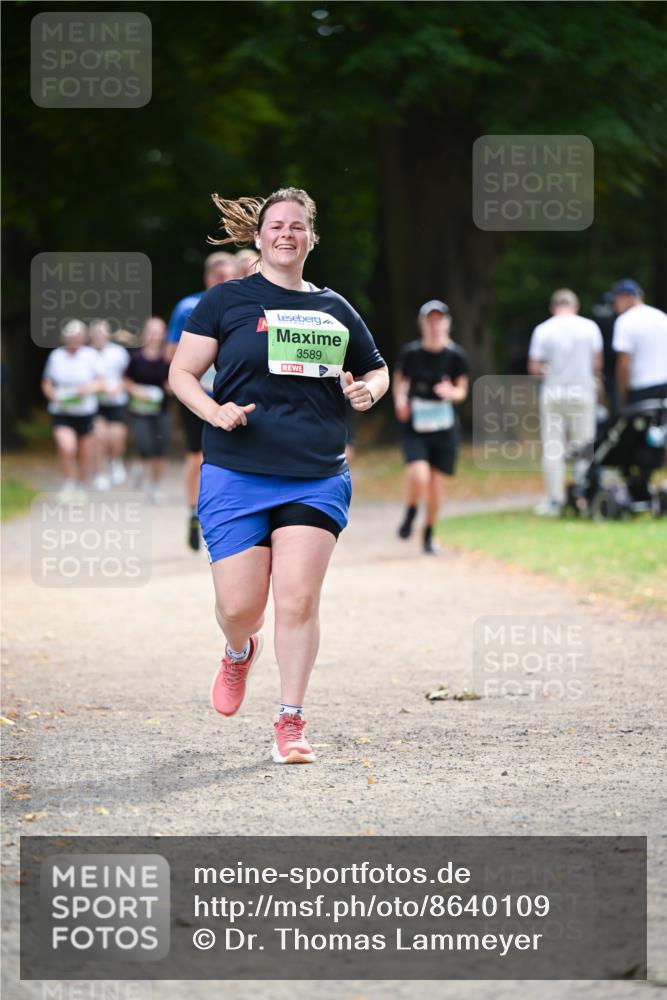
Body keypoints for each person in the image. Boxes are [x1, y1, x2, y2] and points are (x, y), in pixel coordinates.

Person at [169, 187, 388, 764]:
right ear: (260, 236)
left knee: (297, 600)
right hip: (236, 469)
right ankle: (239, 650)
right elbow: (183, 373)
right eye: (276, 226)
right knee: (241, 606)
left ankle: (290, 720)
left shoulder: (334, 308)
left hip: (315, 472)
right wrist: (213, 410)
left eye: (298, 226)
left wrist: (369, 390)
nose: (286, 234)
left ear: (311, 238)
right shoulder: (225, 300)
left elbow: (376, 367)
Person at [165, 252, 237, 550]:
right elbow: (171, 355)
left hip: (231, 397)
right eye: (219, 277)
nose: (224, 282)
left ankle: (225, 516)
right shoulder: (188, 307)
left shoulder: (243, 304)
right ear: (208, 278)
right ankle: (193, 514)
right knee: (198, 457)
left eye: (229, 276)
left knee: (229, 460)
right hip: (199, 396)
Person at [393, 300, 469, 553]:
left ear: (448, 323)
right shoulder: (411, 353)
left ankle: (428, 534)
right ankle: (411, 511)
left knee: (436, 483)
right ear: (423, 324)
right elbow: (400, 381)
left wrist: (451, 392)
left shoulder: (456, 355)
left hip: (444, 426)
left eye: (440, 320)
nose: (435, 326)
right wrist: (400, 401)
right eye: (430, 321)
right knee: (418, 474)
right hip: (415, 423)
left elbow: (462, 391)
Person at [528, 288, 603, 516]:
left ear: (553, 307)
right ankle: (582, 497)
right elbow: (597, 364)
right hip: (582, 394)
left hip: (553, 395)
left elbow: (534, 368)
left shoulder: (543, 329)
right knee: (584, 448)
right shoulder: (589, 327)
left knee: (553, 449)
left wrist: (547, 371)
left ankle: (555, 500)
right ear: (576, 306)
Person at [41, 319, 103, 503]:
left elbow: (101, 381)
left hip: (85, 410)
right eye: (72, 336)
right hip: (61, 410)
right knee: (67, 447)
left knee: (84, 452)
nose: (75, 340)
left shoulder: (90, 355)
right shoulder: (56, 356)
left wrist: (88, 389)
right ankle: (68, 483)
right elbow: (47, 382)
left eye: (78, 337)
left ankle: (81, 485)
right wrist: (52, 394)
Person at [125, 317, 172, 503]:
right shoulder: (136, 359)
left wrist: (171, 387)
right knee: (144, 444)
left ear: (164, 335)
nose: (155, 336)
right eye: (152, 332)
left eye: (159, 332)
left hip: (162, 410)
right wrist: (136, 390)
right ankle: (139, 466)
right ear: (146, 334)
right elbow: (125, 381)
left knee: (160, 449)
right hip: (139, 410)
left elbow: (177, 379)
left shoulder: (168, 359)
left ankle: (155, 486)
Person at [88, 319, 131, 489]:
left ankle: (115, 460)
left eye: (102, 333)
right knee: (99, 438)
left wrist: (120, 387)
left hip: (117, 401)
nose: (99, 336)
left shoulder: (119, 353)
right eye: (96, 333)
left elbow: (128, 376)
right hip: (95, 402)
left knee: (116, 438)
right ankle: (101, 474)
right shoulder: (86, 353)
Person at [611, 278, 667, 406]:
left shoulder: (624, 321)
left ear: (626, 297)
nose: (614, 304)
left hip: (641, 389)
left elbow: (624, 364)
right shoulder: (662, 317)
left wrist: (622, 396)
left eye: (616, 299)